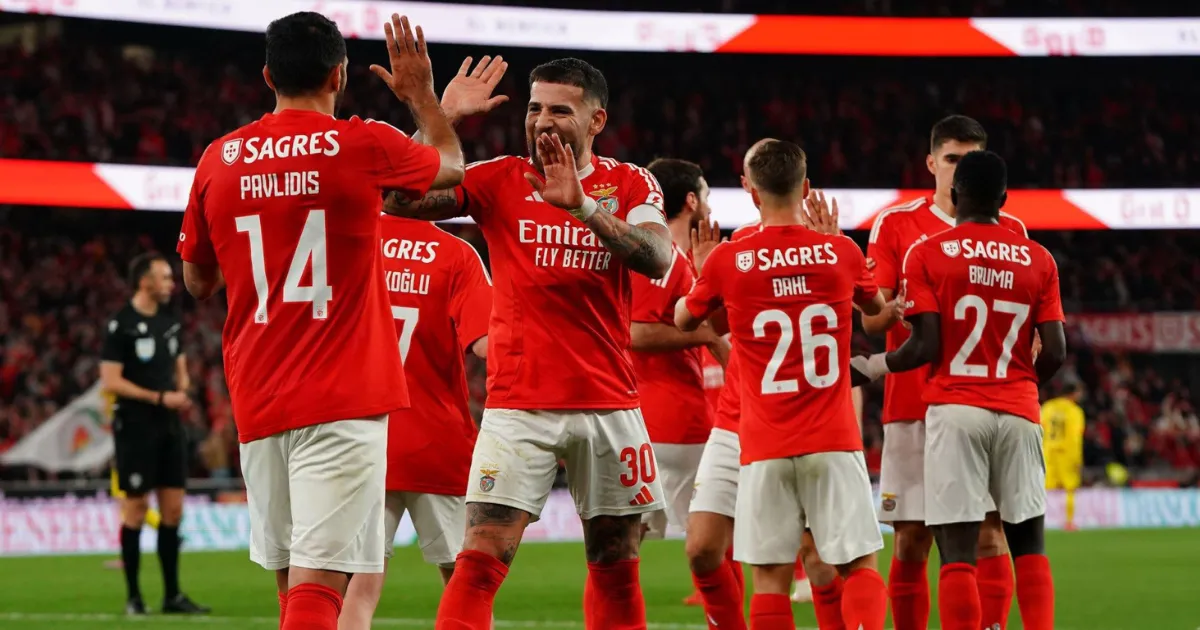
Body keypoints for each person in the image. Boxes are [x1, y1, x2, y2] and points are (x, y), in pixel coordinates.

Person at [177, 12, 464, 630]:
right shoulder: (362, 144)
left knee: (293, 584)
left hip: (256, 396)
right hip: (342, 397)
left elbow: (198, 281)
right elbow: (450, 166)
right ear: (339, 74)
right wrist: (422, 98)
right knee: (320, 588)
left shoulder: (218, 158)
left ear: (266, 76)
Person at [385, 57, 674, 630]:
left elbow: (659, 257)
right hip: (519, 405)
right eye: (535, 107)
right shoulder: (500, 178)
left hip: (609, 402)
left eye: (560, 110)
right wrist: (441, 118)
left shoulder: (631, 182)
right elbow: (397, 199)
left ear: (596, 121)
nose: (542, 120)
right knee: (482, 557)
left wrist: (584, 209)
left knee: (617, 562)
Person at [676, 139, 889, 630]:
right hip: (833, 437)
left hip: (763, 442)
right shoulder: (840, 252)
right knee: (858, 564)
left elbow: (684, 319)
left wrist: (705, 271)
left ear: (751, 191)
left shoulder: (730, 260)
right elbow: (875, 311)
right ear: (807, 187)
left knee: (770, 580)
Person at [854, 150, 1066, 630]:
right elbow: (1054, 350)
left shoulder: (928, 253)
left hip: (955, 409)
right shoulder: (1038, 258)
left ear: (954, 193)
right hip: (1018, 410)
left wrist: (870, 366)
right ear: (1005, 199)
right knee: (1028, 546)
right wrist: (1020, 385)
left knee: (957, 554)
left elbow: (923, 346)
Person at [338, 212, 493, 630]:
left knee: (358, 585)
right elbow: (486, 346)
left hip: (361, 439)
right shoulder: (457, 255)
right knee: (466, 583)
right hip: (436, 443)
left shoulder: (350, 240)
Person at [99, 253, 208, 616]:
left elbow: (180, 370)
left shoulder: (169, 324)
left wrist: (183, 386)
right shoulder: (121, 325)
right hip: (135, 428)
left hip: (169, 427)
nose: (171, 283)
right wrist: (159, 397)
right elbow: (111, 381)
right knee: (136, 508)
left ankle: (172, 595)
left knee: (173, 510)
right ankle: (133, 597)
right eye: (164, 277)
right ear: (144, 281)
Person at [631, 158, 726, 549]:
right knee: (714, 536)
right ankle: (724, 611)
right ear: (690, 200)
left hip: (645, 418)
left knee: (626, 538)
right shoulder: (664, 257)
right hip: (673, 419)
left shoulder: (680, 258)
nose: (709, 204)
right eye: (705, 195)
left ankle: (620, 613)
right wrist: (706, 336)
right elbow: (634, 332)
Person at [1042, 383, 1086, 531]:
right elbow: (1075, 437)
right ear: (1072, 394)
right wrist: (1078, 459)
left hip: (1047, 451)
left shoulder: (1047, 407)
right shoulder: (1075, 411)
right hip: (1067, 453)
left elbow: (1038, 428)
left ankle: (1036, 522)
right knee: (1070, 489)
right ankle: (1069, 522)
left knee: (1042, 488)